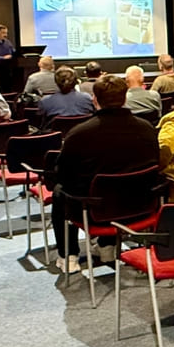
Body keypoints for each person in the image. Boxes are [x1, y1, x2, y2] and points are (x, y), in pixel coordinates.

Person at [52, 75, 159, 272]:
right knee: (115, 185)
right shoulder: (147, 129)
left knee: (60, 191)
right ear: (125, 98)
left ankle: (68, 256)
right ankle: (107, 247)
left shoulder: (79, 134)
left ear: (95, 99)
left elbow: (63, 174)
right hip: (140, 206)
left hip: (95, 213)